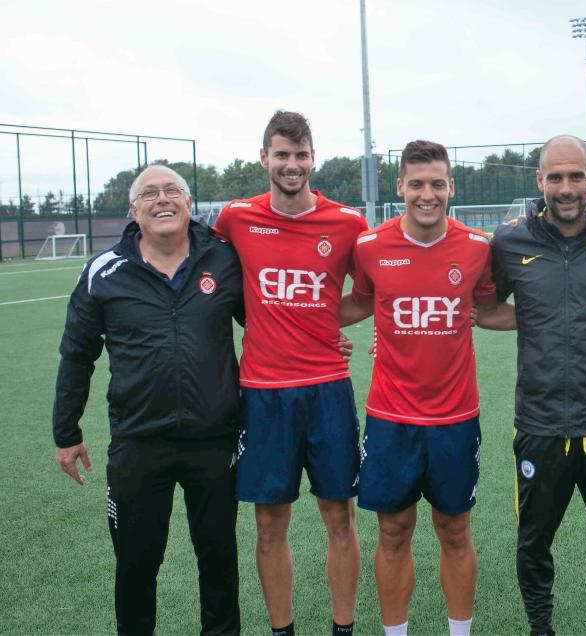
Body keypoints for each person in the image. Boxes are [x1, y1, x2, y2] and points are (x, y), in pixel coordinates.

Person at [53, 164, 243, 635]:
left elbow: (269, 322)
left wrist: (325, 340)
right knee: (136, 566)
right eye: (150, 194)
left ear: (188, 203)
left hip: (214, 440)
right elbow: (77, 354)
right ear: (133, 211)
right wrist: (66, 431)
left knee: (219, 561)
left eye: (172, 191)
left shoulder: (224, 259)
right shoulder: (104, 271)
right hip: (139, 443)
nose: (163, 200)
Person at [479, 134, 586, 636]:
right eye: (556, 177)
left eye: (576, 176)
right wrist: (536, 317)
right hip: (540, 420)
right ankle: (541, 628)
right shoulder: (510, 242)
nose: (567, 187)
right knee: (533, 540)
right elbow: (484, 307)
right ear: (540, 181)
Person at [212, 111, 367, 636]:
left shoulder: (347, 223)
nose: (292, 165)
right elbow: (211, 276)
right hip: (262, 394)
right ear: (264, 158)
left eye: (301, 155)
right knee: (267, 524)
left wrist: (326, 321)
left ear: (313, 158)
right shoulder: (235, 218)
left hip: (327, 390)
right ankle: (283, 630)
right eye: (282, 154)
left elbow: (369, 293)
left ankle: (342, 628)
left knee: (339, 519)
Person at [339, 139, 501, 636]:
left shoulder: (477, 247)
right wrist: (306, 328)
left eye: (436, 184)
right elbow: (359, 303)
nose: (426, 194)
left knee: (455, 531)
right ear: (400, 187)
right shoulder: (370, 246)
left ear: (450, 186)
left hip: (456, 419)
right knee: (392, 532)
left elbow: (490, 310)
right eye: (416, 184)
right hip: (390, 420)